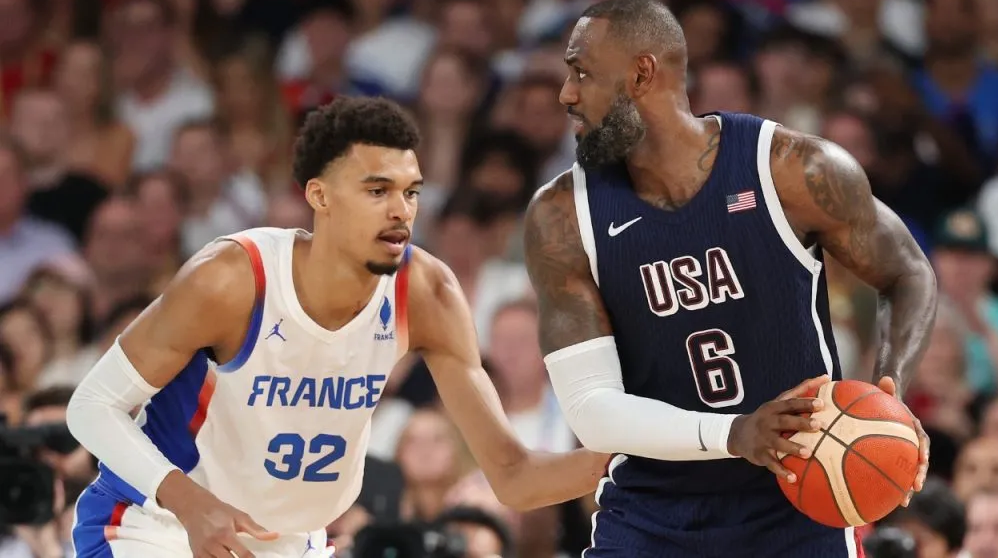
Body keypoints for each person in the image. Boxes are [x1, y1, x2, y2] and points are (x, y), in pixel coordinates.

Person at [66, 96, 608, 558]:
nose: (401, 211)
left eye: (411, 192)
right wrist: (189, 503)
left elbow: (513, 476)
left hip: (290, 540)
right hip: (159, 524)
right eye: (377, 191)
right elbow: (91, 407)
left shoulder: (427, 292)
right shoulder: (233, 278)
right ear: (319, 196)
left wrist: (634, 456)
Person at [524, 0, 936, 557]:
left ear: (641, 74)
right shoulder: (563, 216)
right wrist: (734, 432)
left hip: (797, 502)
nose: (566, 94)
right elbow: (591, 409)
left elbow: (908, 272)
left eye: (581, 73)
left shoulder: (790, 169)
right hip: (650, 514)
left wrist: (891, 394)